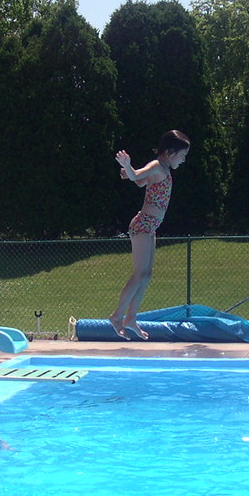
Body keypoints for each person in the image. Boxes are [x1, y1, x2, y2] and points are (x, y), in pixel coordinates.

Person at [109, 130, 191, 340]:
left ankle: (131, 319)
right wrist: (128, 166)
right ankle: (117, 316)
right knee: (139, 274)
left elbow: (139, 182)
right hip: (143, 225)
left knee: (146, 276)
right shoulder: (156, 166)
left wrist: (129, 173)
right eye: (182, 156)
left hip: (150, 227)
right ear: (170, 152)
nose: (183, 160)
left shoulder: (163, 169)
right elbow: (137, 175)